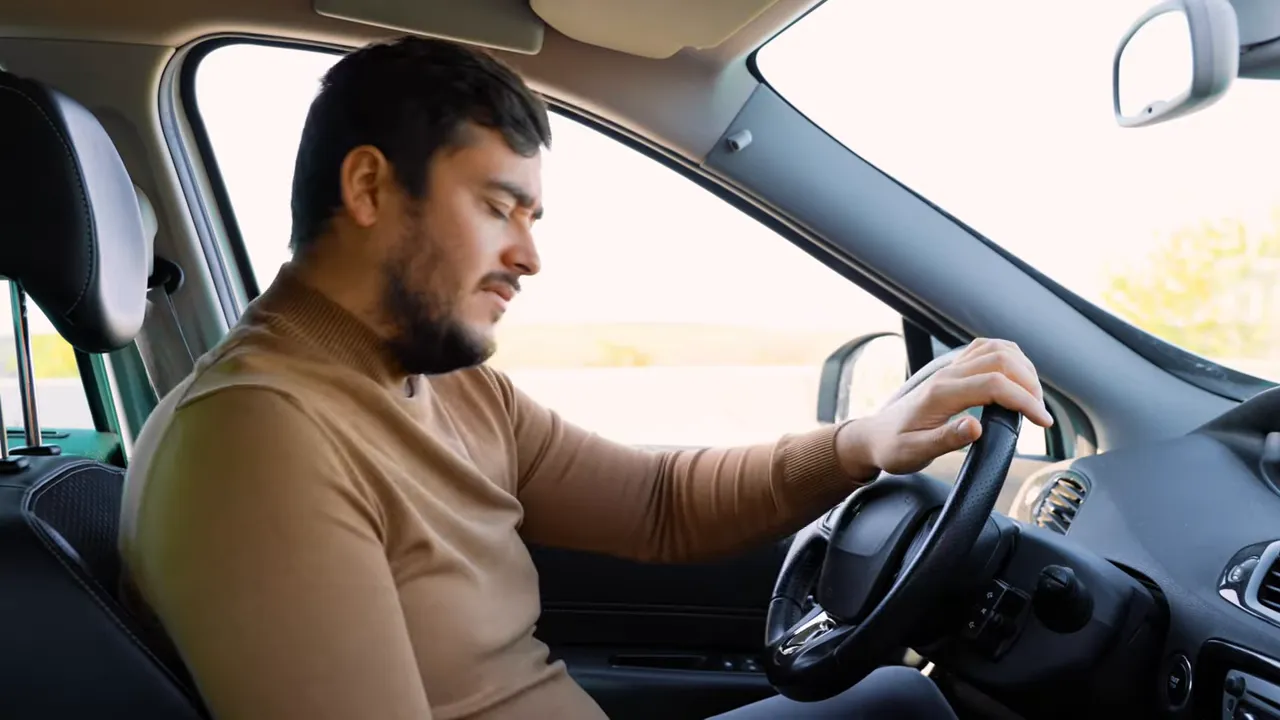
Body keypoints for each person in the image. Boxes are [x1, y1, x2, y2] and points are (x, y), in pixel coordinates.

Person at [118, 35, 1053, 720]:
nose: (528, 257)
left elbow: (656, 504)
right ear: (367, 190)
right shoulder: (254, 439)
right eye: (498, 208)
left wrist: (861, 443)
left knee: (898, 705)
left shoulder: (442, 382)